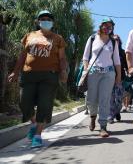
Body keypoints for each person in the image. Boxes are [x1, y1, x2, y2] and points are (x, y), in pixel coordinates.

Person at [8, 10, 67, 148]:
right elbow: (23, 56)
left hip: (49, 75)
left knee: (44, 104)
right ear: (38, 21)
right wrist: (15, 72)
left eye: (49, 19)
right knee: (24, 103)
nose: (46, 20)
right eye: (43, 18)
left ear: (52, 22)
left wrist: (63, 71)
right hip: (29, 74)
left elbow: (62, 58)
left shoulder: (58, 38)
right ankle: (34, 123)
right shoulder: (29, 36)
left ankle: (38, 135)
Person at [81, 17, 121, 138]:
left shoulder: (113, 42)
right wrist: (86, 70)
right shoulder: (93, 38)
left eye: (110, 26)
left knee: (105, 99)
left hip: (108, 74)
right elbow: (85, 57)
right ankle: (93, 117)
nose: (107, 27)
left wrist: (118, 76)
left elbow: (117, 61)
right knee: (91, 99)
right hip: (93, 72)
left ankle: (103, 126)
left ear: (112, 28)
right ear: (100, 26)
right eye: (105, 25)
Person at [108, 35, 128, 123]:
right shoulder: (108, 51)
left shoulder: (123, 52)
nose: (116, 41)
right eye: (114, 40)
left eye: (117, 40)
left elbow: (127, 65)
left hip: (121, 78)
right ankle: (110, 116)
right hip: (109, 77)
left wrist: (129, 71)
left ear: (120, 41)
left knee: (119, 98)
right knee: (111, 97)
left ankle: (117, 111)